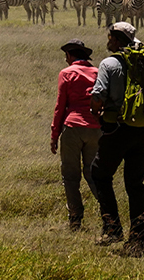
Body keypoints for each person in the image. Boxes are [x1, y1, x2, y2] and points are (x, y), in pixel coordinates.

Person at [89, 22, 144, 256]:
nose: (108, 40)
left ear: (117, 40)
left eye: (110, 36)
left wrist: (95, 109)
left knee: (99, 174)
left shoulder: (109, 63)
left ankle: (112, 228)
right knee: (135, 185)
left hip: (117, 129)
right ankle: (139, 239)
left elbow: (98, 94)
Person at [50, 39, 101, 231]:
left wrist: (55, 135)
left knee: (70, 176)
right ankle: (109, 216)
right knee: (93, 174)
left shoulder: (66, 73)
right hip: (96, 128)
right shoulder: (97, 72)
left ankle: (75, 218)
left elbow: (60, 106)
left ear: (70, 56)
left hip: (72, 127)